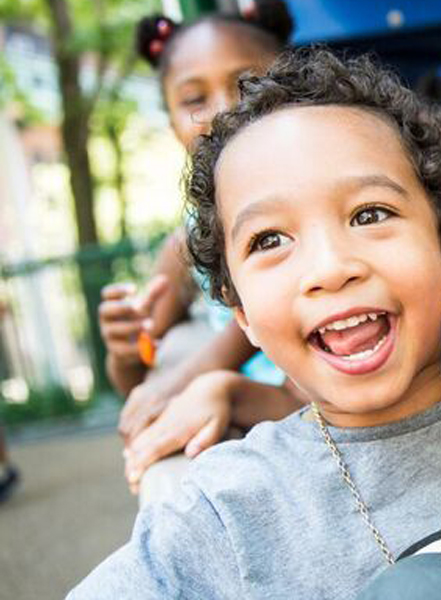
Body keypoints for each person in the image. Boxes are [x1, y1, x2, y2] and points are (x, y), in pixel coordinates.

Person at [70, 48, 441, 599]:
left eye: (369, 215)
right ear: (240, 311)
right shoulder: (225, 512)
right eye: (269, 240)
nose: (330, 268)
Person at [97, 1, 303, 500]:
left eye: (246, 82)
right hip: (264, 404)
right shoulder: (188, 239)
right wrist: (127, 348)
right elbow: (139, 381)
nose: (225, 108)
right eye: (194, 97)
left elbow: (269, 312)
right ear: (170, 126)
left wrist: (199, 372)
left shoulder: (311, 195)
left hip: (314, 393)